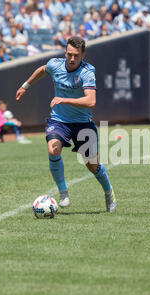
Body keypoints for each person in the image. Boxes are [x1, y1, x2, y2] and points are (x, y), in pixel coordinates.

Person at [15, 36, 117, 212]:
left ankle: (109, 192)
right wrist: (25, 86)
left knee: (92, 165)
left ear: (83, 55)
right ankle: (63, 194)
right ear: (65, 53)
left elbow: (91, 101)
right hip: (59, 120)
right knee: (53, 149)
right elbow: (42, 70)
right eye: (69, 54)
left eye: (76, 55)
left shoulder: (87, 72)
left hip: (82, 123)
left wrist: (64, 99)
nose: (71, 59)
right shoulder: (55, 64)